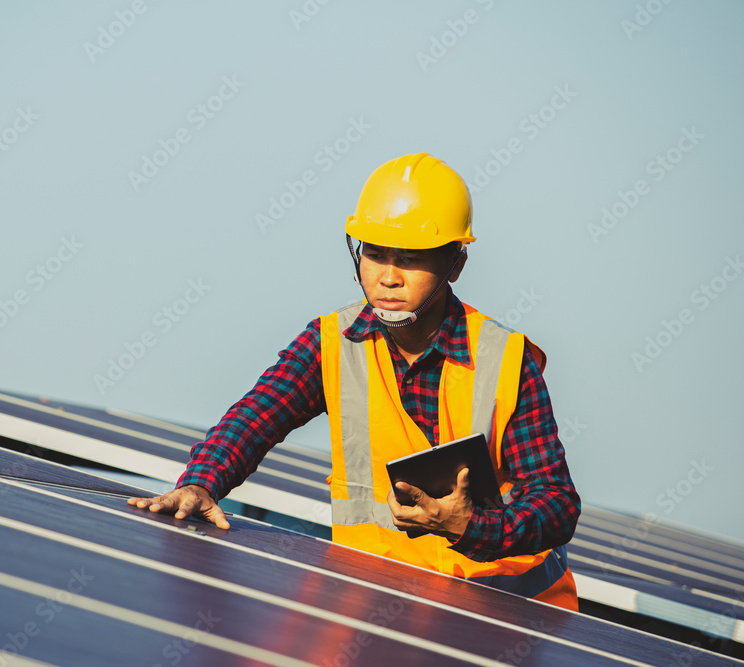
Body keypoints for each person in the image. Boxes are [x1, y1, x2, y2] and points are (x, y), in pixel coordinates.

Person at [129, 153, 581, 610]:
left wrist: (472, 526)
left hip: (505, 617)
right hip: (377, 605)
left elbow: (556, 503)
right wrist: (201, 482)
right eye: (375, 254)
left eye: (410, 258)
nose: (387, 277)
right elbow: (257, 416)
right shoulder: (333, 342)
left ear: (455, 265)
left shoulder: (505, 359)